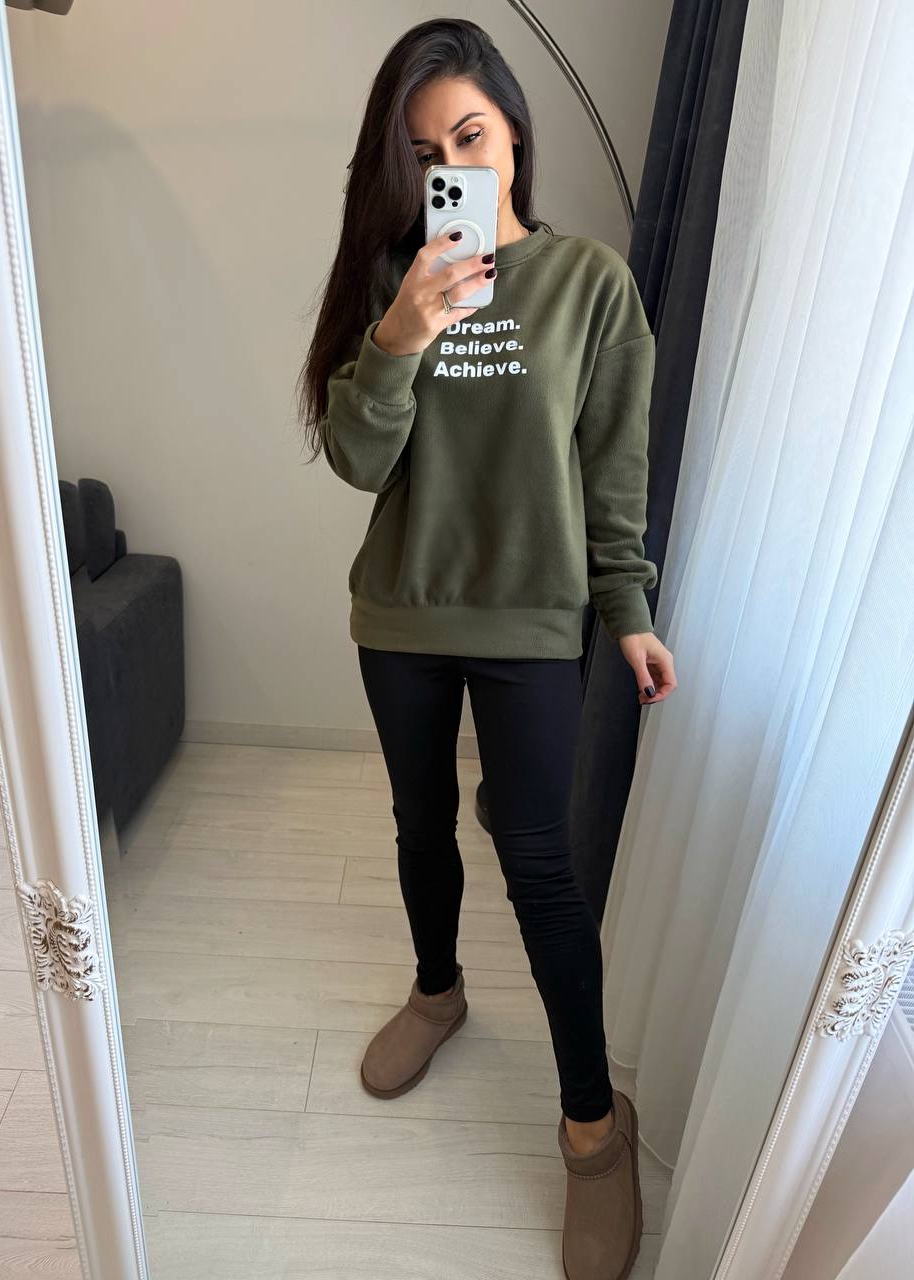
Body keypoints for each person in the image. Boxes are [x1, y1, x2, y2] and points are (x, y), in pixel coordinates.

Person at [297, 18, 677, 1280]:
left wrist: (628, 608)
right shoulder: (393, 280)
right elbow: (360, 462)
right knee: (419, 820)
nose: (451, 166)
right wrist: (401, 332)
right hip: (403, 610)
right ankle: (438, 989)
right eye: (424, 154)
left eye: (469, 135)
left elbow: (612, 469)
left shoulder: (590, 283)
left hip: (531, 619)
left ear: (513, 129)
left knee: (540, 860)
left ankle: (594, 1128)